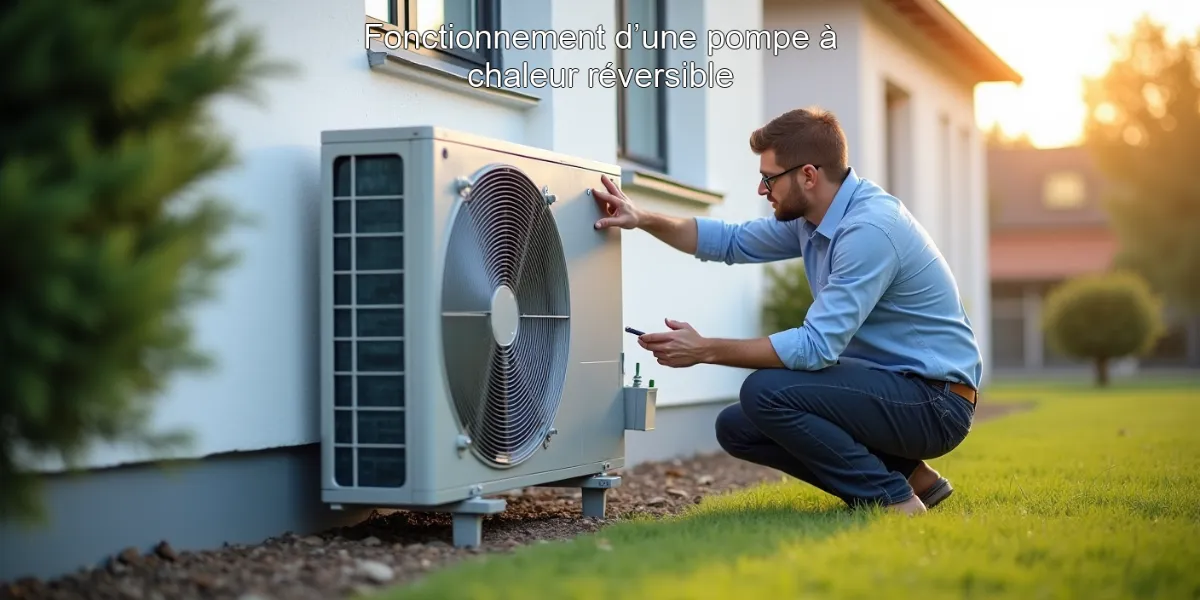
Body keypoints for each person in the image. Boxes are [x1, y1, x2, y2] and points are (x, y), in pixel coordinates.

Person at [590, 106, 982, 516]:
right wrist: (642, 217)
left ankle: (892, 499)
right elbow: (730, 242)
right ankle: (914, 477)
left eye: (768, 178)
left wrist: (704, 350)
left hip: (936, 402)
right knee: (738, 427)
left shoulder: (868, 230)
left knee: (765, 392)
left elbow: (816, 348)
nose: (762, 190)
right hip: (895, 387)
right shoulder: (815, 218)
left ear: (808, 175)